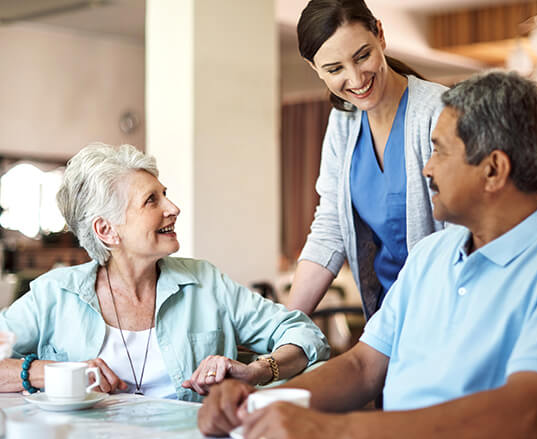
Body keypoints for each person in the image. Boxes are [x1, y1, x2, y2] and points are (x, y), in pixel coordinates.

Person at [198, 71, 537, 439]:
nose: (427, 167)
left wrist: (334, 430)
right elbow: (363, 366)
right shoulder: (431, 254)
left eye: (439, 151)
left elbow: (522, 416)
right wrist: (257, 404)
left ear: (493, 170)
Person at [0, 143, 329, 401]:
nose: (173, 209)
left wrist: (257, 371)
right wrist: (50, 372)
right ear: (106, 230)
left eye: (165, 195)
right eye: (151, 201)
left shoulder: (206, 282)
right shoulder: (54, 294)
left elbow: (305, 335)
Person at [287, 0, 445, 320]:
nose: (356, 79)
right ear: (314, 68)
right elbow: (330, 227)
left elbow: (469, 234)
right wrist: (285, 323)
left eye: (363, 56)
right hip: (385, 318)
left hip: (441, 311)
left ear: (380, 36)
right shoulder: (343, 123)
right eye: (335, 69)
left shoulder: (440, 112)